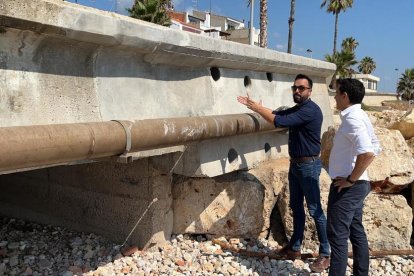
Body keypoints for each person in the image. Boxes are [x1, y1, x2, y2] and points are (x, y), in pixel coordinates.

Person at [237, 74, 330, 272]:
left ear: (309, 91)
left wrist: (257, 108)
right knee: (296, 207)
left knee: (315, 210)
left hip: (309, 166)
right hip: (296, 165)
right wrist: (259, 107)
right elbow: (280, 115)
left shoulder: (310, 111)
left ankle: (326, 253)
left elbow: (278, 121)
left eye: (301, 88)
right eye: (294, 88)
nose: (297, 91)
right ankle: (295, 247)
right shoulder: (299, 108)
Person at [327, 78, 381, 276]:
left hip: (348, 187)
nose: (334, 96)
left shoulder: (352, 118)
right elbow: (376, 147)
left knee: (337, 236)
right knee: (356, 230)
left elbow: (367, 152)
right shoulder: (360, 115)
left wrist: (351, 179)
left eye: (337, 92)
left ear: (345, 96)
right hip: (357, 184)